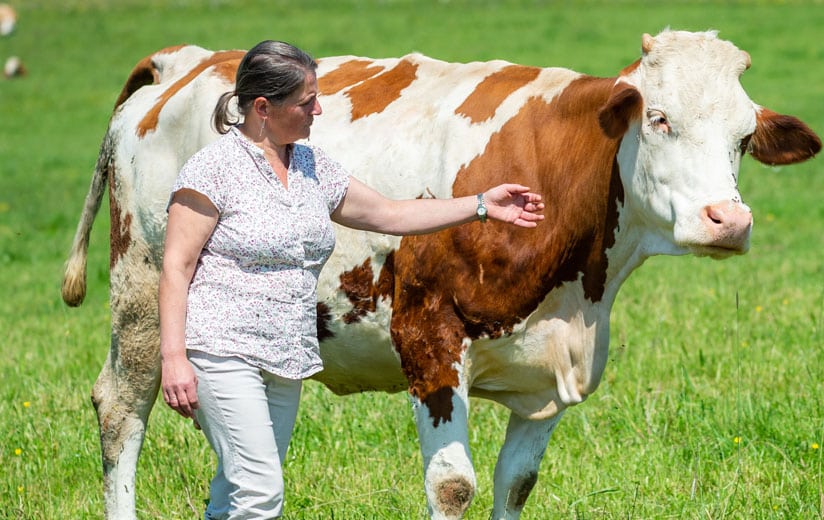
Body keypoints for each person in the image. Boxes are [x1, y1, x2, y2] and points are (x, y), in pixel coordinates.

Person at [158, 39, 544, 519]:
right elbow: (177, 265)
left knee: (236, 492)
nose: (319, 109)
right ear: (263, 107)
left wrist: (482, 205)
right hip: (222, 351)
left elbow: (390, 214)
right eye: (306, 101)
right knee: (260, 494)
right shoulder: (211, 171)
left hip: (285, 356)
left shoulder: (311, 167)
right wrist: (174, 358)